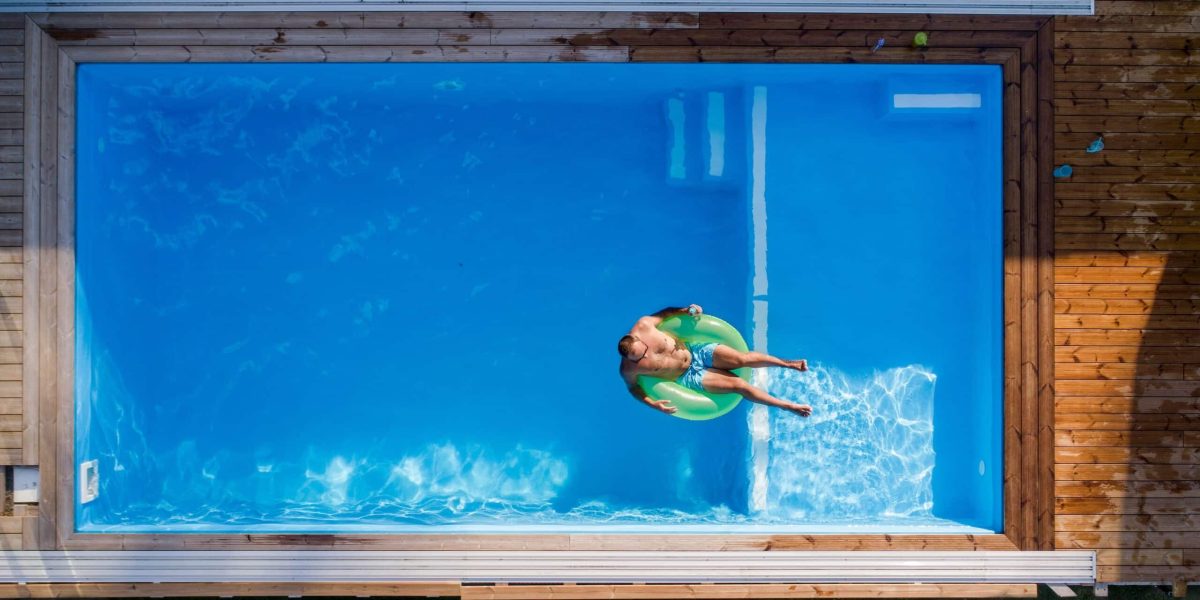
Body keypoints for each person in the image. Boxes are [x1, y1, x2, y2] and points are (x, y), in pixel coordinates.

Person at [618, 305, 813, 417]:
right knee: (739, 385)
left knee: (741, 359)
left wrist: (687, 309)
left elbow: (667, 313)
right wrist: (653, 404)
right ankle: (788, 406)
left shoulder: (645, 325)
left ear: (637, 339)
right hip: (688, 376)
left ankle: (789, 364)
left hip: (696, 352)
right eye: (639, 359)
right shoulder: (629, 369)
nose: (645, 356)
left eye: (643, 351)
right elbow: (634, 389)